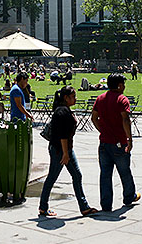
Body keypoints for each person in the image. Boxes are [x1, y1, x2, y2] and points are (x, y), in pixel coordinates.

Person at [38, 86, 98, 217]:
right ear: (66, 98)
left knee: (76, 175)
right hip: (60, 150)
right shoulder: (62, 112)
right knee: (53, 177)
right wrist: (65, 154)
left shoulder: (63, 110)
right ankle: (43, 207)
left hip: (65, 149)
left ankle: (84, 207)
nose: (75, 99)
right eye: (73, 96)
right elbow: (62, 135)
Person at [90, 73, 139, 211]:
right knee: (124, 171)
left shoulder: (100, 98)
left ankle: (106, 204)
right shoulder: (122, 99)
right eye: (123, 83)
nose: (124, 86)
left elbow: (94, 118)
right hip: (119, 142)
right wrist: (129, 138)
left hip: (104, 142)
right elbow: (125, 119)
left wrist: (102, 130)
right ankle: (129, 196)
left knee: (105, 174)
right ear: (118, 85)